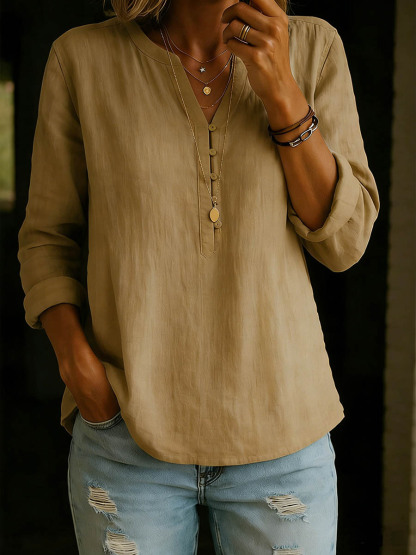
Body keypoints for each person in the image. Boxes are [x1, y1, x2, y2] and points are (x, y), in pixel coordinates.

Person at [17, 0, 380, 553]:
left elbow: (345, 243)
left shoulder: (314, 47)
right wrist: (78, 368)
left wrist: (282, 91)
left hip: (284, 435)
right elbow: (48, 236)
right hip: (128, 434)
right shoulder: (83, 59)